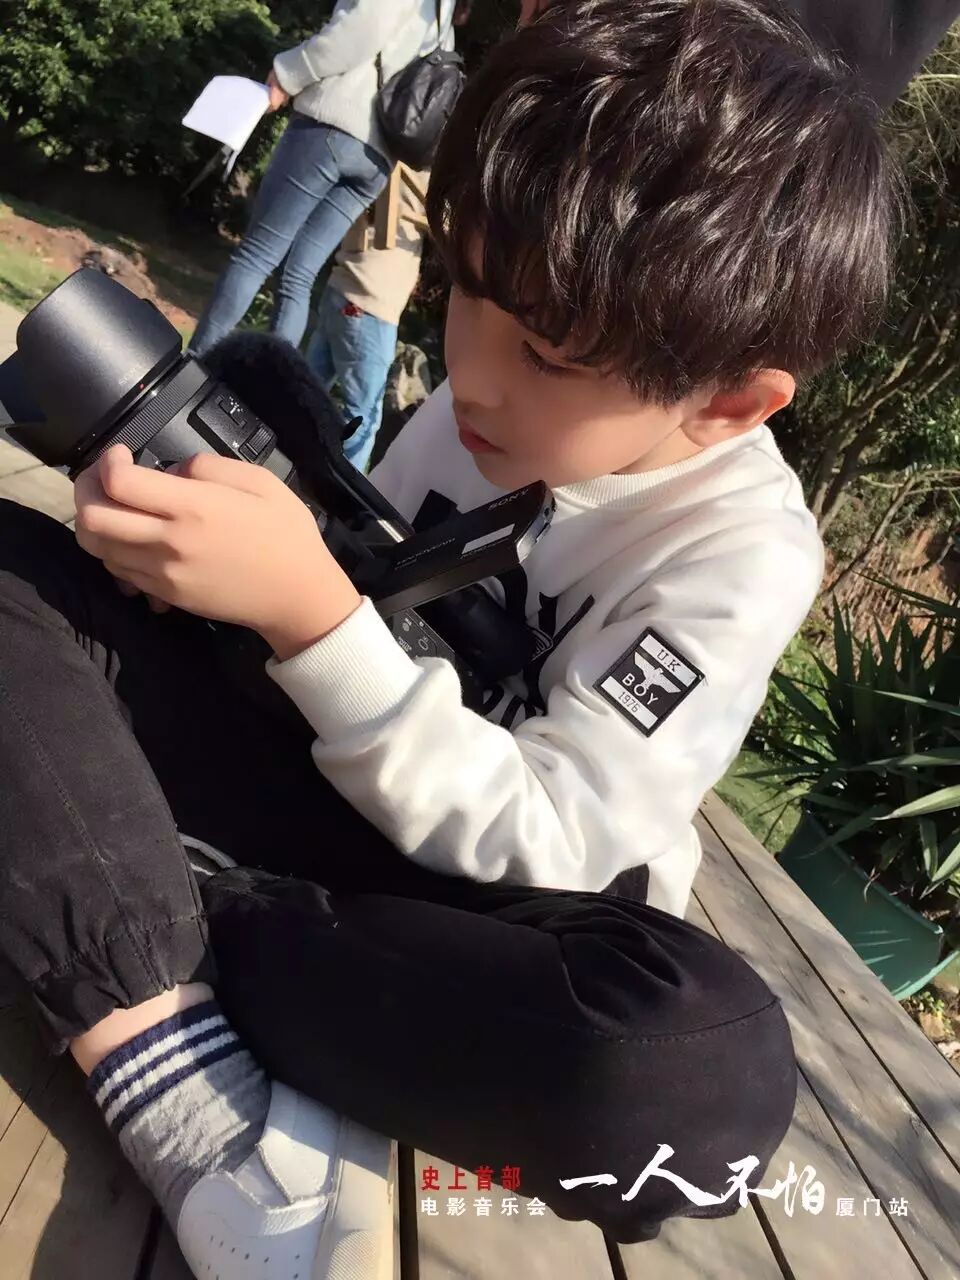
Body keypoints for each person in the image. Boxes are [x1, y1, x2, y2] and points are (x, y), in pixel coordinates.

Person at [0, 1, 941, 1278]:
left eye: (545, 352)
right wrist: (204, 577)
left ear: (728, 401)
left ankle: (128, 907)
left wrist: (309, 613)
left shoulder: (742, 553)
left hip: (468, 907)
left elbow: (555, 837)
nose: (475, 372)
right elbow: (359, 610)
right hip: (317, 792)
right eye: (463, 293)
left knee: (699, 1080)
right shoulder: (483, 397)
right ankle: (172, 1050)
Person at [188, 0, 456, 356]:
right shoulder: (442, 12)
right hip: (378, 159)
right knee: (299, 276)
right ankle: (272, 382)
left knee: (257, 255)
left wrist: (289, 72)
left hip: (332, 126)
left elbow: (361, 29)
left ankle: (194, 365)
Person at [305, 169, 429, 473]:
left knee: (305, 391)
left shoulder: (389, 150)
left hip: (342, 285)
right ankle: (338, 495)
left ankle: (271, 454)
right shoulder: (431, 165)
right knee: (363, 417)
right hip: (372, 301)